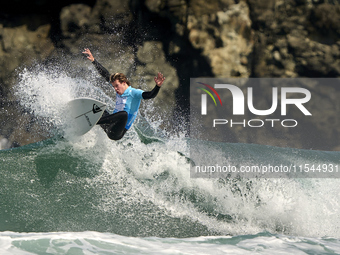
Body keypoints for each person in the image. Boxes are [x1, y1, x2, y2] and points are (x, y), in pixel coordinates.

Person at [82, 48, 165, 140]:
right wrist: (94, 61)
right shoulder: (119, 90)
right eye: (114, 86)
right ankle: (83, 119)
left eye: (117, 86)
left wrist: (157, 86)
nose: (115, 89)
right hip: (109, 126)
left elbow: (150, 95)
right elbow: (105, 74)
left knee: (124, 114)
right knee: (98, 107)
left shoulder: (134, 92)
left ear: (124, 82)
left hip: (116, 133)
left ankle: (93, 121)